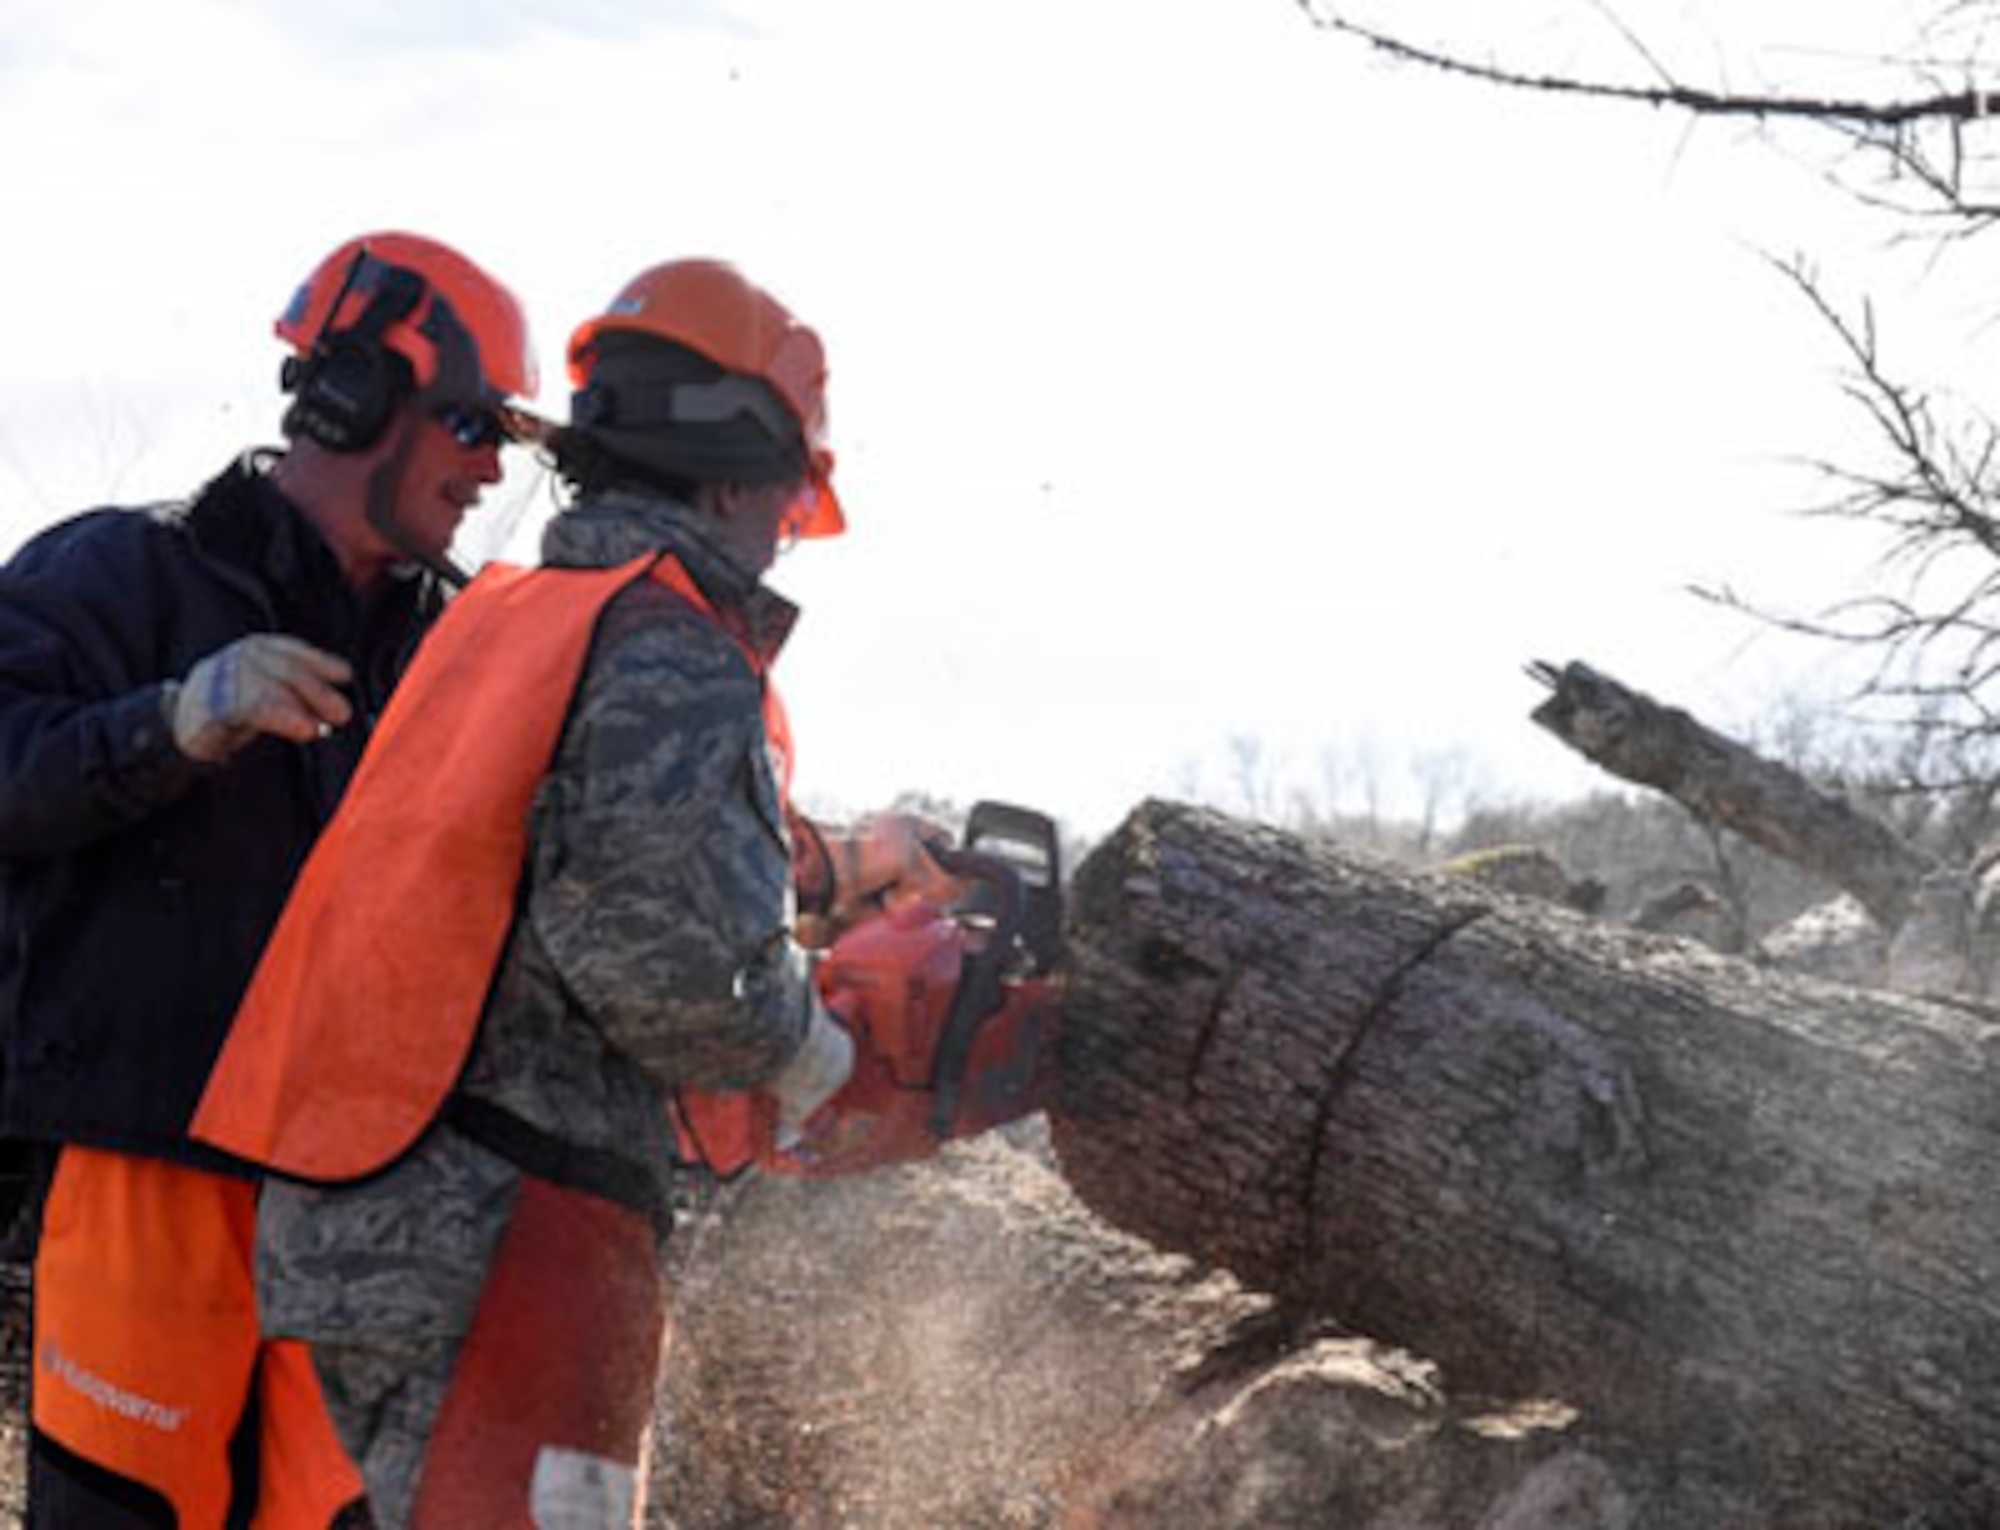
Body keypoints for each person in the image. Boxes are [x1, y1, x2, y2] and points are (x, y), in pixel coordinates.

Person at [189, 257, 959, 1528]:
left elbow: (559, 875)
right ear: (730, 470)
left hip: (379, 1200)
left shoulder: (513, 616)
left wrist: (819, 868)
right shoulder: (667, 643)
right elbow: (664, 973)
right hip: (500, 1222)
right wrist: (822, 1051)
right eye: (782, 498)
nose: (780, 529)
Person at [0, 231, 540, 1529]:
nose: (489, 466)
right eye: (470, 421)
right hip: (149, 1169)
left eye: (504, 438)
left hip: (365, 1207)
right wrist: (167, 724)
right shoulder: (114, 573)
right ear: (352, 396)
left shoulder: (460, 653)